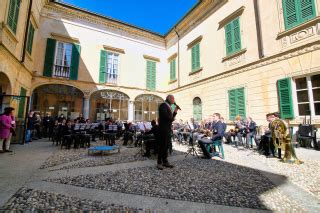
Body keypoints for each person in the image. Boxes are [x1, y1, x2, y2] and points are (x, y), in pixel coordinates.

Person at [157, 95, 179, 170]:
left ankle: (165, 161)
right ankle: (159, 162)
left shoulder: (168, 106)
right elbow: (167, 117)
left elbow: (170, 117)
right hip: (163, 129)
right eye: (173, 99)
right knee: (162, 146)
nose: (174, 100)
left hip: (167, 129)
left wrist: (175, 112)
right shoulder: (163, 105)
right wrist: (173, 118)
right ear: (169, 99)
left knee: (166, 146)